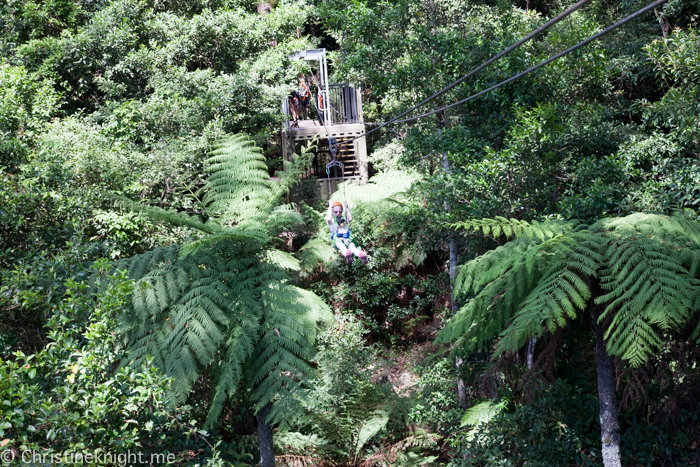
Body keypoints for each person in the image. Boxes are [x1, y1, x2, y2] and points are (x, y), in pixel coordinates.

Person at [326, 200, 368, 265]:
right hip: (337, 239)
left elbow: (350, 218)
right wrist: (330, 206)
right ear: (332, 212)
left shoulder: (344, 220)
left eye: (340, 212)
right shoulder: (332, 221)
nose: (338, 213)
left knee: (352, 247)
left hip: (347, 238)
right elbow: (328, 218)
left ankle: (361, 254)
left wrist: (347, 208)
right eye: (335, 212)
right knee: (342, 247)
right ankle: (347, 254)